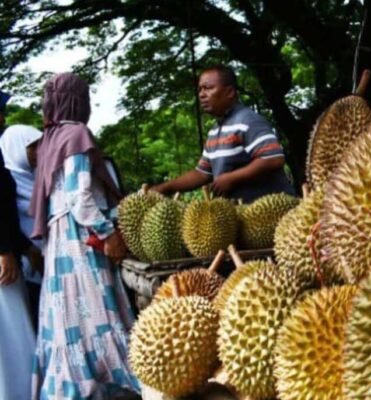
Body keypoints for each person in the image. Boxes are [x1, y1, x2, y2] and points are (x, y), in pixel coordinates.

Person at [29, 72, 140, 399]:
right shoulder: (75, 133)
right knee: (94, 305)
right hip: (79, 236)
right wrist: (109, 233)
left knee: (71, 314)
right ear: (77, 101)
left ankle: (72, 383)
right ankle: (109, 377)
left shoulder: (50, 139)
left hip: (59, 240)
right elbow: (79, 197)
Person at [152, 64, 295, 202]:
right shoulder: (214, 131)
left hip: (272, 216)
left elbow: (273, 158)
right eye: (200, 89)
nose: (202, 94)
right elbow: (201, 174)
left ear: (230, 92)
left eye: (208, 88)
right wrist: (164, 188)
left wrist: (231, 178)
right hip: (240, 216)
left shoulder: (248, 121)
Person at [0, 141, 37, 400]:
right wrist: (3, 251)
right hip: (2, 261)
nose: (2, 118)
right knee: (11, 335)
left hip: (9, 255)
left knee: (16, 333)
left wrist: (25, 248)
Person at [0, 124, 44, 325]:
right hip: (16, 264)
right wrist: (5, 251)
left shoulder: (41, 178)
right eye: (31, 147)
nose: (38, 152)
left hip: (38, 261)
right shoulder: (8, 178)